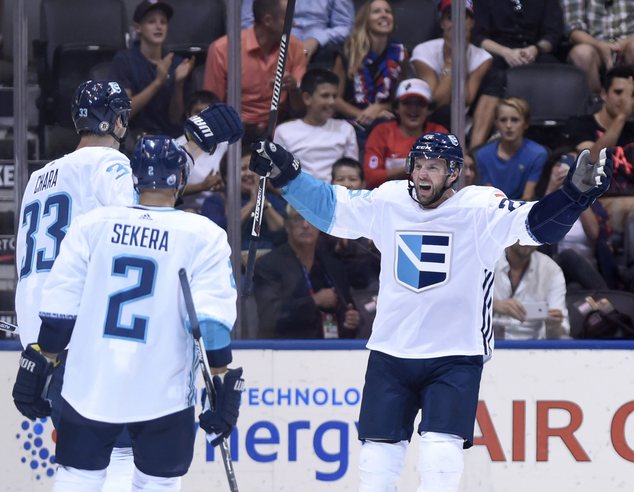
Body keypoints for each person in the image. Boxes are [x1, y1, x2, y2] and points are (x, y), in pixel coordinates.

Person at [248, 131, 612, 490]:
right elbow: (332, 208)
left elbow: (536, 226)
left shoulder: (480, 208)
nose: (422, 174)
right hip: (391, 352)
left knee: (439, 462)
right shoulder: (390, 200)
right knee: (375, 466)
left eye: (433, 167)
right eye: (418, 165)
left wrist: (573, 196)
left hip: (455, 355)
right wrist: (287, 174)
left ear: (454, 173)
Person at [13, 78, 244, 491]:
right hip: (87, 335)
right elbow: (145, 209)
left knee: (79, 468)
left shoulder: (39, 177)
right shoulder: (109, 165)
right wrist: (192, 142)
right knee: (117, 461)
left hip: (43, 329)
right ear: (119, 120)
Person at [203, 0, 308, 140]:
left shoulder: (295, 47)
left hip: (281, 130)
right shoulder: (222, 49)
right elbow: (211, 107)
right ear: (268, 20)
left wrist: (294, 88)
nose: (294, 24)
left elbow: (300, 110)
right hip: (236, 131)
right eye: (287, 19)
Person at [254, 203, 361, 339]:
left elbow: (348, 313)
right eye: (298, 218)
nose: (305, 225)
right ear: (287, 226)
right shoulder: (268, 265)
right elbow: (270, 316)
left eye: (312, 219)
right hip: (284, 351)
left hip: (331, 351)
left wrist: (351, 321)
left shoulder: (333, 266)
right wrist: (314, 301)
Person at [411, 0, 497, 149]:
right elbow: (437, 101)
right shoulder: (423, 51)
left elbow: (466, 98)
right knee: (445, 112)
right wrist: (451, 60)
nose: (457, 23)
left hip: (467, 117)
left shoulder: (483, 57)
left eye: (463, 18)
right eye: (451, 18)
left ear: (472, 23)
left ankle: (474, 152)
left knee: (497, 78)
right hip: (431, 117)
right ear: (442, 23)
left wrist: (461, 54)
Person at [564, 65, 634, 237]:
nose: (624, 100)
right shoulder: (581, 124)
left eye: (630, 95)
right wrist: (622, 116)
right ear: (604, 94)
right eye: (618, 93)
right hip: (597, 202)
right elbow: (591, 159)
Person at [111, 0, 195, 142]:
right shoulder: (125, 60)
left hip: (172, 139)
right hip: (135, 139)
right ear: (138, 28)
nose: (158, 26)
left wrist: (178, 85)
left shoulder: (176, 63)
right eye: (151, 21)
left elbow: (175, 118)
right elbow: (124, 113)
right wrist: (158, 82)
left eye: (163, 22)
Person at [332, 0, 408, 136]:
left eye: (388, 11)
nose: (384, 15)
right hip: (351, 121)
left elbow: (402, 98)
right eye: (376, 11)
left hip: (386, 119)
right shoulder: (347, 52)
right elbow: (335, 99)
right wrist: (364, 114)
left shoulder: (401, 53)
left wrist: (380, 108)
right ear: (365, 20)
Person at [201, 140, 287, 251]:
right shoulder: (215, 202)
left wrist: (263, 204)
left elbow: (283, 236)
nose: (249, 173)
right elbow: (218, 236)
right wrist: (251, 204)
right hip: (232, 261)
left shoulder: (271, 198)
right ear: (227, 176)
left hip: (269, 261)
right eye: (243, 169)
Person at [274, 68, 358, 182]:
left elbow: (353, 172)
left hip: (336, 195)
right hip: (299, 195)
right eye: (325, 96)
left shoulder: (346, 129)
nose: (332, 102)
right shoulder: (284, 131)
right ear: (307, 98)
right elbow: (277, 175)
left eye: (334, 96)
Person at [363, 78, 447, 188]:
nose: (413, 109)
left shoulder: (439, 133)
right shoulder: (381, 132)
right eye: (407, 103)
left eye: (420, 104)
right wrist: (412, 166)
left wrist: (405, 169)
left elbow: (446, 174)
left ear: (429, 109)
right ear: (397, 108)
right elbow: (371, 178)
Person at [471, 0, 564, 97]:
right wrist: (506, 52)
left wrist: (535, 49)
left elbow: (553, 35)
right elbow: (478, 37)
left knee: (554, 70)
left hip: (535, 51)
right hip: (497, 52)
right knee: (490, 71)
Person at [240, 0, 355, 68]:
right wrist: (279, 39)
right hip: (274, 41)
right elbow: (247, 22)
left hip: (319, 50)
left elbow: (346, 25)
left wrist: (317, 39)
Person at [492, 241, 569, 340]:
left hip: (531, 347)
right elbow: (466, 307)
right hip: (486, 344)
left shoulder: (551, 270)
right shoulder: (487, 260)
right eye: (523, 232)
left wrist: (553, 325)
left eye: (532, 235)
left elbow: (560, 334)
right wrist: (492, 305)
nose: (527, 239)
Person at [475, 97, 548, 200]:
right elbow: (491, 198)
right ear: (496, 123)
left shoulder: (538, 154)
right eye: (503, 120)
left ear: (525, 123)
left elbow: (528, 197)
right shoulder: (482, 155)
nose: (508, 125)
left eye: (515, 120)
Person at [561, 0, 634, 94]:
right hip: (593, 44)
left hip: (628, 41)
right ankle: (596, 102)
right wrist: (598, 45)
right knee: (582, 54)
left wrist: (624, 43)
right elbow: (573, 31)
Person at [176, 90, 227, 211]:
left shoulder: (229, 145)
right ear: (188, 115)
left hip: (221, 211)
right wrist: (202, 186)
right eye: (198, 112)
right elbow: (166, 189)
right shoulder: (174, 147)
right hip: (185, 212)